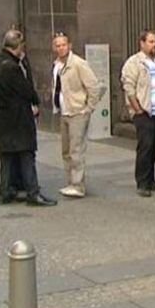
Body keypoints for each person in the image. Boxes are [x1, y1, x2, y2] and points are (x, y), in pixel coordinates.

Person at [0, 29, 56, 206]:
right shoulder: (12, 67)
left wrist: (0, 101)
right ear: (17, 46)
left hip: (4, 119)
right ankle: (33, 193)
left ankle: (5, 192)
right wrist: (34, 101)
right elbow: (26, 90)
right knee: (26, 154)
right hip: (18, 118)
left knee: (7, 157)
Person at [121, 29, 155, 197]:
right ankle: (142, 182)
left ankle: (151, 179)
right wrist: (137, 109)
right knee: (145, 147)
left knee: (154, 147)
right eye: (151, 42)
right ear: (142, 43)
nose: (154, 45)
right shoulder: (135, 62)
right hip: (144, 111)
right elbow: (128, 86)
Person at [51, 32, 101, 198]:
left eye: (63, 45)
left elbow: (94, 87)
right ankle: (71, 181)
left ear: (69, 46)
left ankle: (78, 185)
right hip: (64, 111)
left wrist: (88, 108)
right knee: (66, 150)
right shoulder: (57, 65)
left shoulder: (78, 64)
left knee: (76, 149)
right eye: (57, 45)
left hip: (77, 112)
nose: (61, 48)